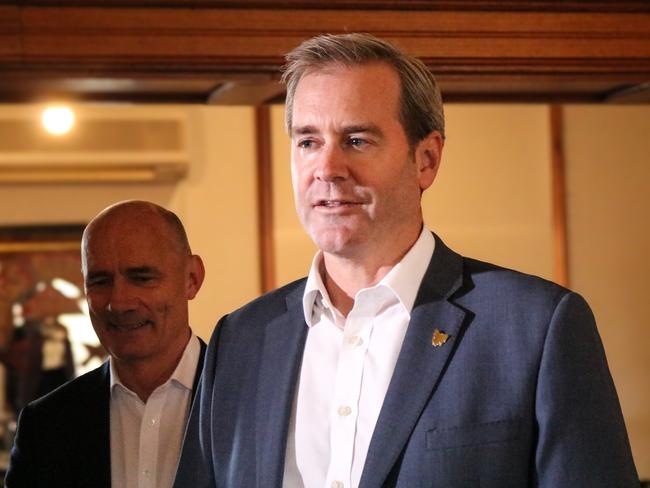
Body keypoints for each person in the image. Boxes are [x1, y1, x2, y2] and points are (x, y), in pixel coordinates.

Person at [174, 34, 639, 488]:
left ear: (427, 159)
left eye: (356, 140)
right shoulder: (241, 339)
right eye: (308, 142)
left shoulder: (535, 329)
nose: (328, 168)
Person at [6, 200, 207, 488]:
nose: (119, 302)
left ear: (192, 278)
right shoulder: (46, 426)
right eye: (100, 282)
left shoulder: (252, 402)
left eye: (142, 278)